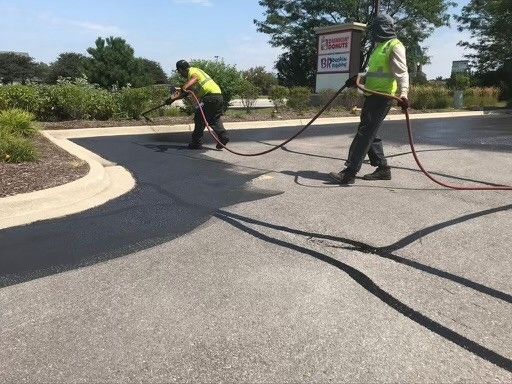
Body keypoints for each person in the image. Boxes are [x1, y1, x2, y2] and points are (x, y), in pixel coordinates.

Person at [329, 14, 409, 185]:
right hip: (372, 94)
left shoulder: (395, 46)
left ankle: (349, 172)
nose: (374, 30)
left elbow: (402, 73)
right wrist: (358, 77)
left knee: (365, 133)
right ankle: (383, 169)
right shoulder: (380, 47)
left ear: (383, 27)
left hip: (383, 97)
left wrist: (404, 94)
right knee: (370, 132)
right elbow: (376, 72)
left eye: (376, 27)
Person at [167, 60, 230, 150]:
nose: (180, 74)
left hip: (209, 98)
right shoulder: (197, 71)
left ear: (181, 69)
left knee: (199, 117)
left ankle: (196, 142)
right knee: (214, 118)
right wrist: (171, 99)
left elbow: (194, 78)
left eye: (179, 71)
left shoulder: (192, 72)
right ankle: (223, 137)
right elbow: (184, 93)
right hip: (218, 96)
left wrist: (185, 86)